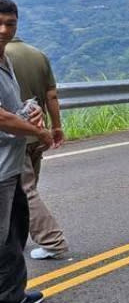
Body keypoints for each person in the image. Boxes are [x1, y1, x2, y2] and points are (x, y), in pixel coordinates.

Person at [0, 0, 53, 303]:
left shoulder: (6, 61)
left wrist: (32, 111)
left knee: (14, 235)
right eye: (0, 23)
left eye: (11, 23)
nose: (5, 30)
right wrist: (39, 133)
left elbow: (13, 109)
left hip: (12, 165)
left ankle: (13, 295)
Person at [5, 38, 69, 260]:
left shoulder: (4, 56)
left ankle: (53, 242)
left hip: (15, 135)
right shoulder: (38, 55)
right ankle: (14, 240)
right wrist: (56, 127)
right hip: (37, 134)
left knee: (25, 192)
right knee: (21, 195)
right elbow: (51, 94)